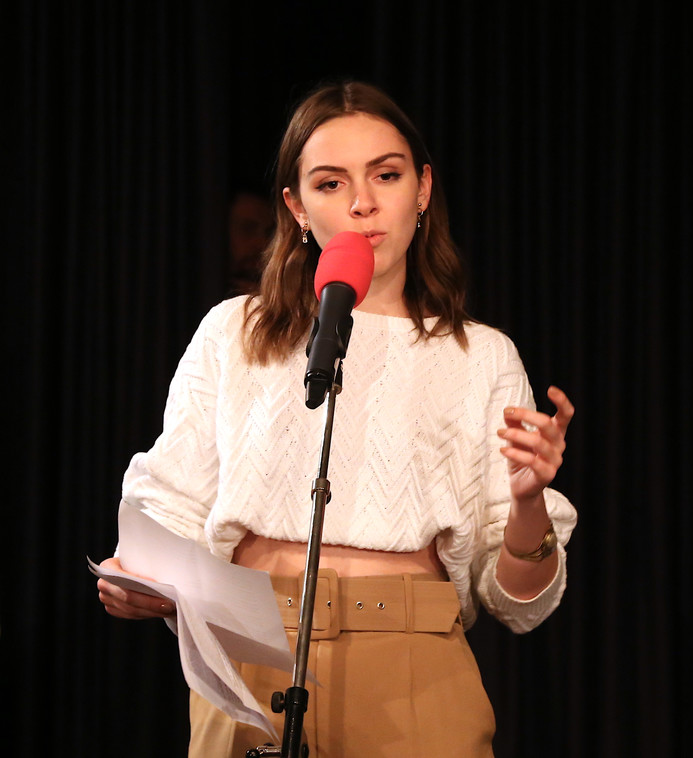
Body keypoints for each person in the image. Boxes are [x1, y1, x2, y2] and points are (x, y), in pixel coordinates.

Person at [95, 79, 577, 757]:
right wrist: (141, 578)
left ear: (423, 189)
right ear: (296, 206)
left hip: (412, 670)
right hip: (250, 650)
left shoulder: (480, 355)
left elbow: (520, 603)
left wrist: (527, 504)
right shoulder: (235, 332)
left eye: (387, 174)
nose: (362, 203)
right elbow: (171, 505)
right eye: (329, 183)